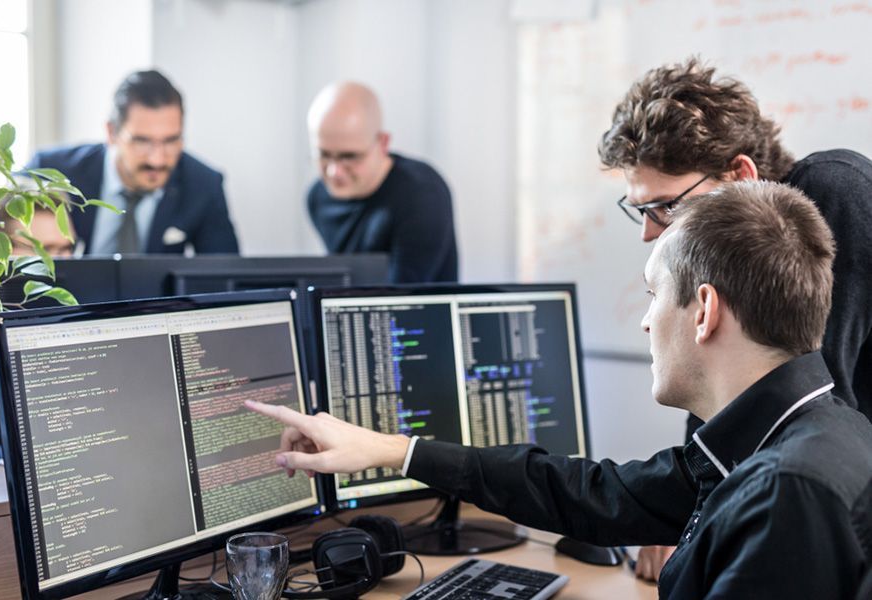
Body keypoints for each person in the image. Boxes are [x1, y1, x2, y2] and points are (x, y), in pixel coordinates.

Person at [249, 181, 872, 599]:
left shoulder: (788, 492)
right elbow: (590, 495)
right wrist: (393, 449)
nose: (646, 320)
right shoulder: (797, 435)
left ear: (704, 310)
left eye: (654, 294)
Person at [598, 57, 872, 579]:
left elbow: (805, 400)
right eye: (641, 210)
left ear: (741, 176)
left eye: (664, 206)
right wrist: (686, 512)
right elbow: (724, 401)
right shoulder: (735, 256)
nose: (650, 232)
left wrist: (691, 521)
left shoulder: (833, 191)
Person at [27, 70, 239, 255]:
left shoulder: (203, 185)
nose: (157, 160)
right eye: (142, 142)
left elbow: (225, 279)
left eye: (171, 141)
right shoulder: (51, 171)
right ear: (112, 133)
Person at [306, 82, 458, 283]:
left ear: (383, 143)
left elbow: (403, 300)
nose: (335, 172)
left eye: (350, 156)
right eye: (324, 155)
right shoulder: (317, 197)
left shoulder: (422, 195)